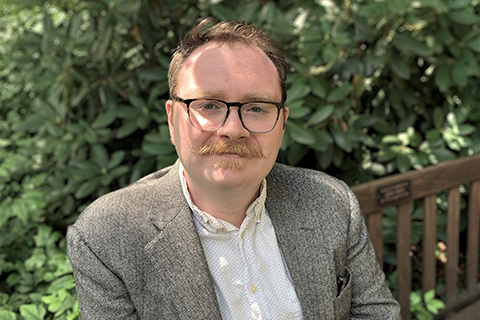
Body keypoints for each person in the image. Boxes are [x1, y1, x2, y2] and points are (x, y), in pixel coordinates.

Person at [67, 20, 401, 319]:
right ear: (172, 119)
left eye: (256, 107)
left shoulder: (331, 202)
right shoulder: (106, 235)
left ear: (282, 124)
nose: (232, 129)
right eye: (209, 105)